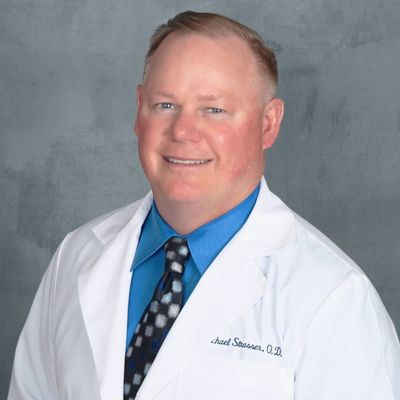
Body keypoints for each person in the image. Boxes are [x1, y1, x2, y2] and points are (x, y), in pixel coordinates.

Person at [8, 10, 400, 400]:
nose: (183, 131)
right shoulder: (77, 256)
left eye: (214, 109)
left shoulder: (335, 297)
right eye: (165, 105)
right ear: (139, 109)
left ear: (268, 123)